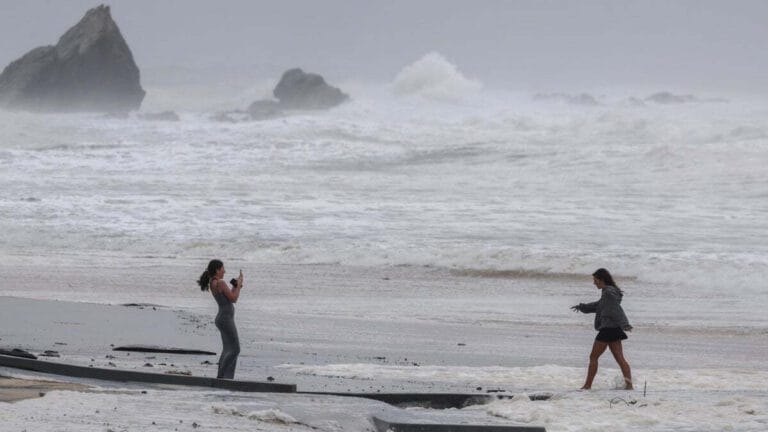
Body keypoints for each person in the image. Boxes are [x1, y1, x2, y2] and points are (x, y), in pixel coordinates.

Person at [571, 268, 633, 390]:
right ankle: (629, 386)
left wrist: (625, 323)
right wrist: (582, 307)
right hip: (614, 329)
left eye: (595, 280)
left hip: (607, 329)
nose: (594, 283)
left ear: (601, 280)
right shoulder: (609, 292)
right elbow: (599, 306)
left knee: (593, 357)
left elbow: (616, 309)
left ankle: (587, 386)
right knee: (620, 359)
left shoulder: (608, 292)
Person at [197, 259, 243, 379]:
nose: (225, 271)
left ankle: (224, 376)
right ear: (217, 270)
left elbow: (229, 296)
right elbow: (234, 298)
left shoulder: (213, 281)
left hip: (223, 318)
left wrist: (235, 286)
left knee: (228, 348)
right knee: (235, 349)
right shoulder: (220, 282)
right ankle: (223, 377)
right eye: (223, 268)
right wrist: (238, 285)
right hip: (225, 318)